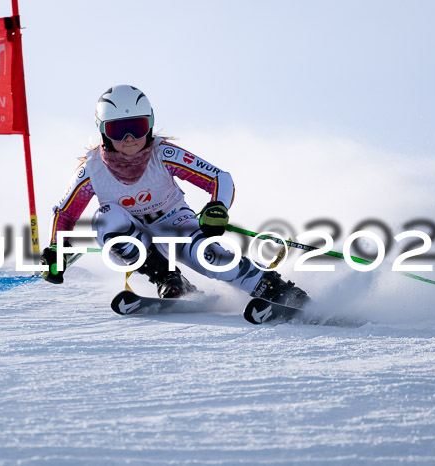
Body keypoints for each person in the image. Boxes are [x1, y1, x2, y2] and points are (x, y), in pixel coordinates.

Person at [41, 84, 308, 307]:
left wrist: (217, 208)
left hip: (174, 225)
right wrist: (56, 251)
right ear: (103, 131)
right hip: (131, 238)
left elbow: (219, 178)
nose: (130, 138)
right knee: (105, 218)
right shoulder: (92, 170)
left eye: (137, 125)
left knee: (213, 259)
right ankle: (168, 279)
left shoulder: (163, 153)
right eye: (118, 130)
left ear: (150, 123)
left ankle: (275, 289)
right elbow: (66, 212)